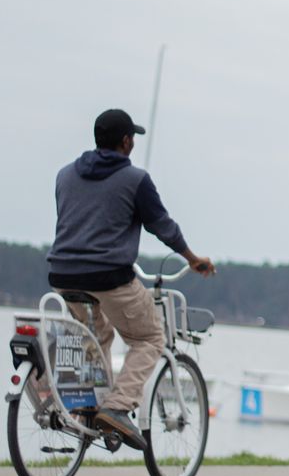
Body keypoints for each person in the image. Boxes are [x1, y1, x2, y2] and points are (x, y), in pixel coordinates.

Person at [47, 108, 216, 450]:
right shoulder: (135, 179)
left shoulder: (65, 175)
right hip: (109, 277)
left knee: (97, 336)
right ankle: (118, 406)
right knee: (151, 337)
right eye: (133, 138)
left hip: (62, 275)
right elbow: (162, 226)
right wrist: (192, 258)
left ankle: (89, 407)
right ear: (126, 141)